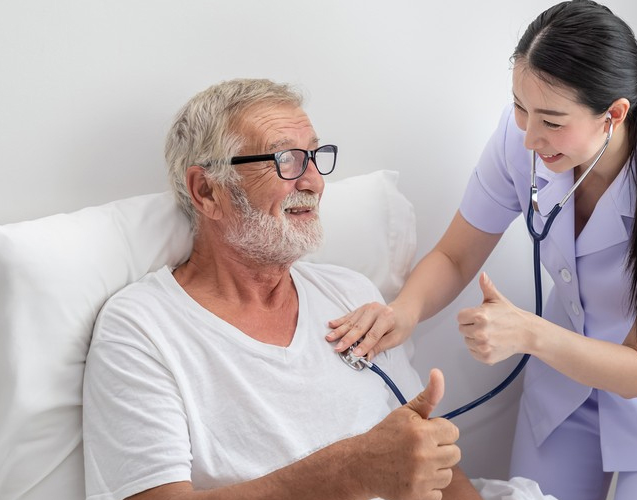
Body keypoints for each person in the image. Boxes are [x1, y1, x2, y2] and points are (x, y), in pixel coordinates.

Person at [325, 2, 637, 499]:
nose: (529, 136)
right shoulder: (522, 137)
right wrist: (404, 311)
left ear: (614, 114)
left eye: (551, 120)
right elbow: (456, 256)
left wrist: (527, 333)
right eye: (520, 107)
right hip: (566, 394)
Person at [83, 78, 482, 500]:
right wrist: (351, 472)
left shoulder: (351, 295)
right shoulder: (141, 329)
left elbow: (434, 465)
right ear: (207, 191)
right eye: (286, 160)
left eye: (313, 156)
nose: (313, 182)